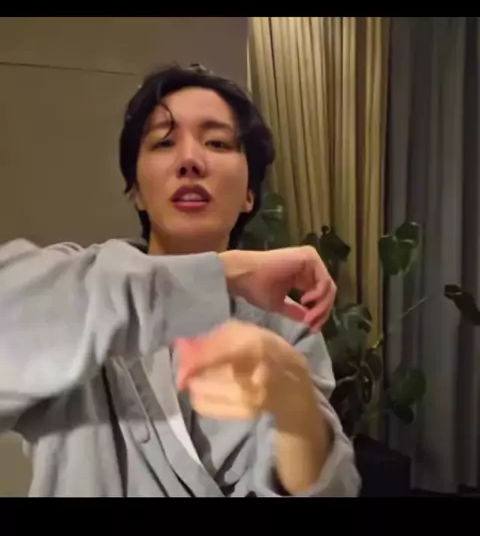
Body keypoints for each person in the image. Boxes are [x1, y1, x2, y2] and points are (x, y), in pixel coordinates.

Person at [0, 63, 360, 497]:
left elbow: (330, 487)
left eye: (217, 142)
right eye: (164, 142)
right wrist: (225, 273)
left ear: (249, 194)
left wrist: (295, 409)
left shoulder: (286, 326)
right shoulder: (76, 289)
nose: (190, 161)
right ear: (136, 190)